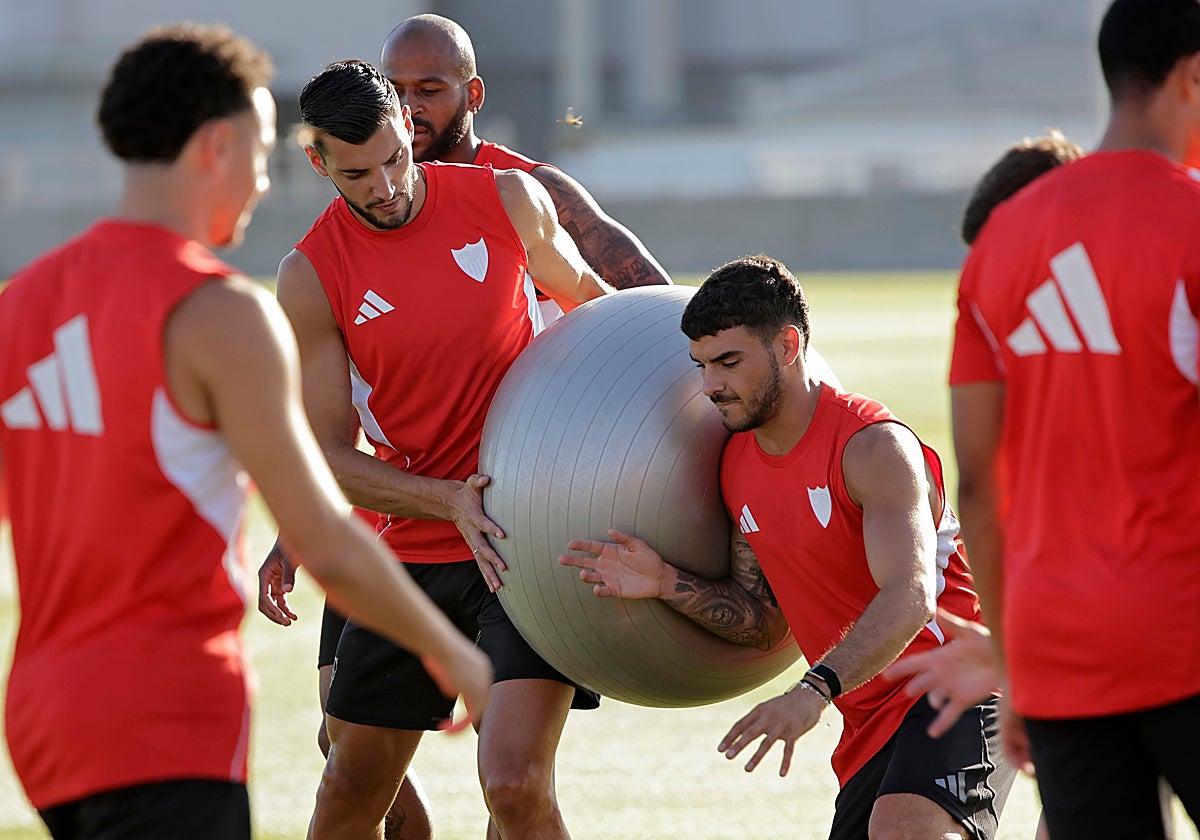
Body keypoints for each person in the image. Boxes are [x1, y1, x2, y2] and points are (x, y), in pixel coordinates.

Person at [0, 24, 491, 840]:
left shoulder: (20, 307)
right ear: (217, 146)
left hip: (44, 720)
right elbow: (324, 536)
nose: (264, 182)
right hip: (164, 717)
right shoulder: (218, 312)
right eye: (262, 153)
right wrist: (453, 652)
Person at [257, 16, 674, 835]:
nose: (386, 187)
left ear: (408, 131)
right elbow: (328, 457)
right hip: (414, 549)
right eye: (357, 174)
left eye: (395, 159)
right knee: (348, 786)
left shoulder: (508, 200)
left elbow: (603, 312)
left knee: (514, 783)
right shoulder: (310, 275)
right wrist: (446, 500)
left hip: (527, 545)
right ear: (317, 164)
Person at [559, 255, 1014, 840]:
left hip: (958, 685)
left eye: (729, 362)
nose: (710, 385)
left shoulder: (872, 447)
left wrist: (812, 691)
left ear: (788, 346)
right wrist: (665, 581)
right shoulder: (736, 464)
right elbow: (763, 621)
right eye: (701, 365)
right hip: (866, 718)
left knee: (906, 832)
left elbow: (911, 595)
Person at [948, 0, 1200, 837]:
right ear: (1192, 76)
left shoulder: (1000, 244)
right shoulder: (1189, 220)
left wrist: (1014, 665)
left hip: (1058, 647)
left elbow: (979, 483)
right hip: (1183, 628)